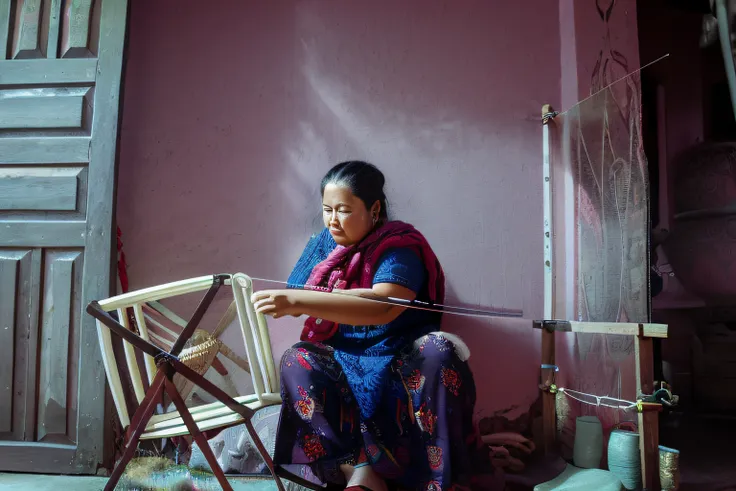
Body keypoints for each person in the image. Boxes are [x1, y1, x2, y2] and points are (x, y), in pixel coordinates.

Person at [252, 161, 501, 491]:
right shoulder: (325, 247)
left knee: (438, 352)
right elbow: (297, 292)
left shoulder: (399, 245)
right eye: (327, 210)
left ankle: (437, 481)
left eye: (343, 210)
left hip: (401, 360)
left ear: (374, 209)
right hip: (343, 357)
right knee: (296, 360)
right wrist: (289, 300)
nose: (333, 220)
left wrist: (298, 302)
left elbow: (384, 305)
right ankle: (356, 471)